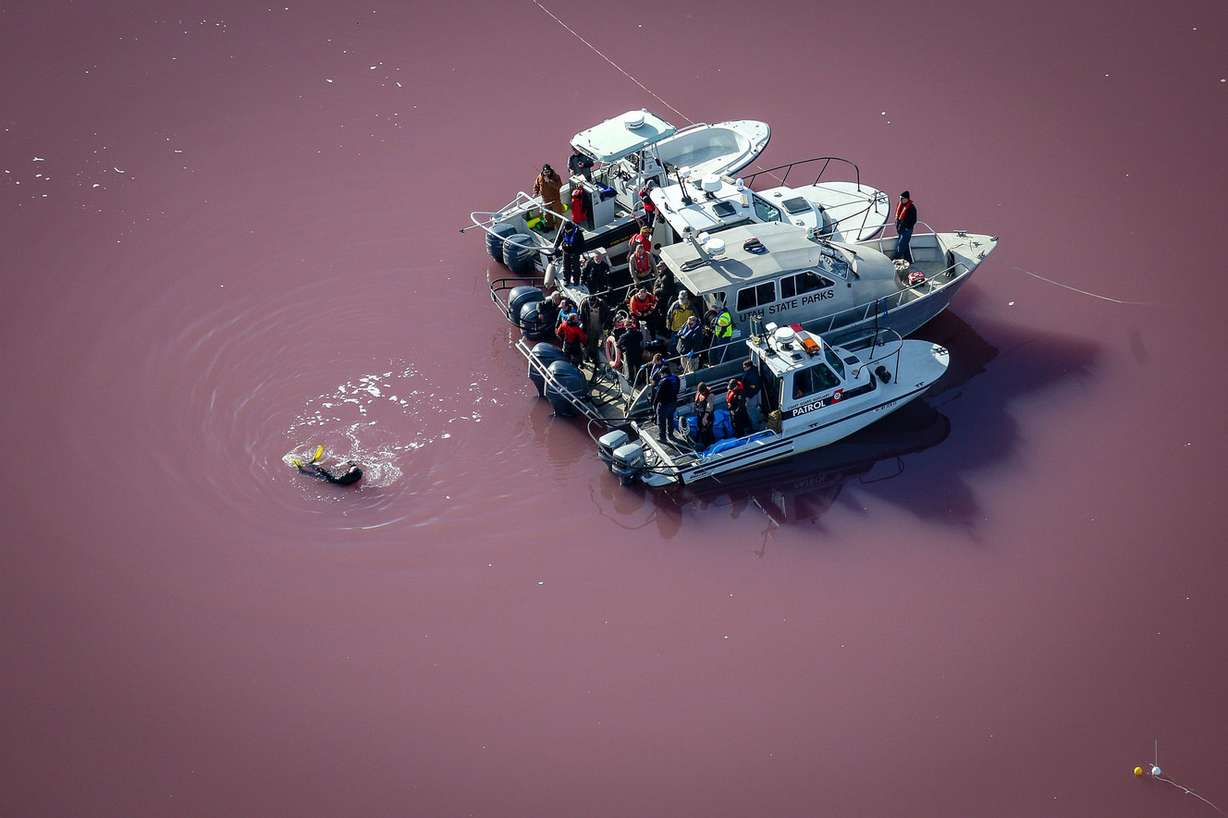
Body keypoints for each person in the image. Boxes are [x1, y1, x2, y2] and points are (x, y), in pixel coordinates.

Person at [289, 445, 363, 486]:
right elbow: (352, 465)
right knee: (326, 471)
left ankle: (301, 469)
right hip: (343, 479)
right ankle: (307, 466)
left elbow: (327, 474)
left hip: (332, 480)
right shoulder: (359, 473)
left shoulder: (343, 478)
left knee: (316, 474)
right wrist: (349, 462)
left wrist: (318, 469)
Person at [652, 363, 681, 441]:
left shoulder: (663, 382)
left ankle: (662, 437)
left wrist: (654, 405)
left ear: (664, 373)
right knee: (671, 419)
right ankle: (671, 435)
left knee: (661, 421)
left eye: (661, 374)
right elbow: (678, 390)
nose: (661, 376)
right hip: (673, 402)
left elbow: (658, 395)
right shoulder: (676, 378)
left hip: (664, 404)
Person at [554, 220, 585, 285]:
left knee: (576, 267)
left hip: (575, 252)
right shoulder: (563, 230)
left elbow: (582, 244)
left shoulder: (577, 232)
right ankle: (566, 280)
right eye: (566, 230)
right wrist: (556, 246)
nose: (567, 231)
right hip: (566, 251)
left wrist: (579, 252)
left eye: (568, 230)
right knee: (566, 266)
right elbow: (559, 238)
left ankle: (576, 280)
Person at [533, 164, 563, 229]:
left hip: (555, 200)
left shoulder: (556, 177)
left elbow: (559, 186)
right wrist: (535, 192)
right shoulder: (540, 177)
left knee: (558, 215)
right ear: (543, 171)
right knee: (547, 215)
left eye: (548, 172)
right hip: (545, 200)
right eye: (545, 172)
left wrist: (549, 181)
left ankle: (560, 229)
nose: (546, 174)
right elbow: (536, 185)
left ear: (550, 171)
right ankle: (550, 226)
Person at [895, 190, 917, 264]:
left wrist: (906, 227)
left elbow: (914, 220)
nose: (901, 200)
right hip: (900, 229)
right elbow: (898, 217)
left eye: (902, 198)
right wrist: (898, 227)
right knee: (905, 245)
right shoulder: (900, 204)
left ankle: (895, 259)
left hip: (906, 230)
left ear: (907, 199)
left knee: (901, 246)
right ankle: (909, 260)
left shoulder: (912, 208)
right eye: (900, 198)